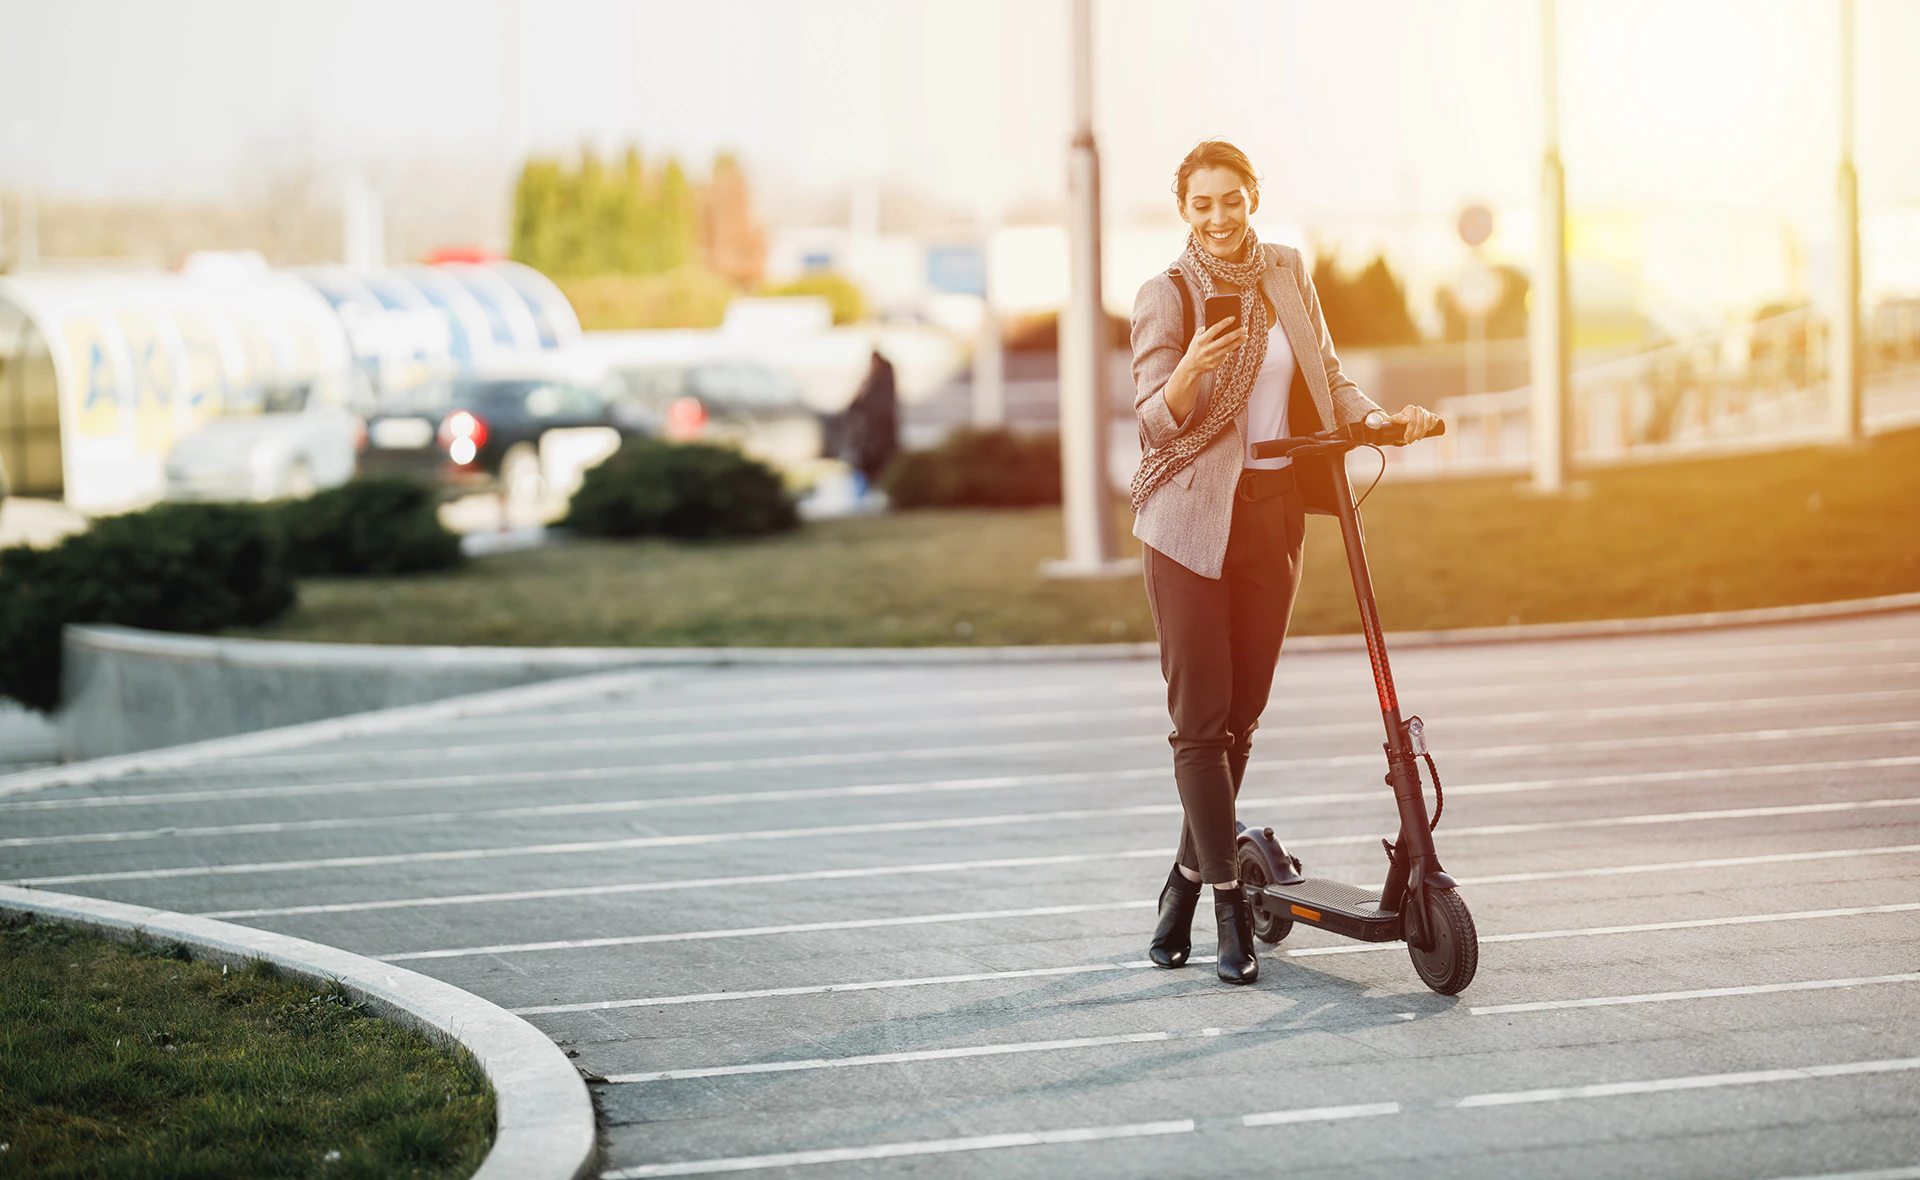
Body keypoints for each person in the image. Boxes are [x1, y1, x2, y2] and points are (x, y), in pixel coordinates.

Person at [1130, 140, 1441, 984]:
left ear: (1253, 197)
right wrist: (1189, 372)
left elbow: (1329, 377)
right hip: (1189, 521)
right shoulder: (1166, 294)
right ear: (1185, 209)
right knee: (1202, 721)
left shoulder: (1284, 273)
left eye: (1233, 199)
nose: (1220, 216)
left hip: (1271, 516)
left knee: (1243, 717)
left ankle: (1185, 878)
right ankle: (1226, 902)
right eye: (1203, 203)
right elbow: (1156, 421)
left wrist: (1380, 422)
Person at [840, 347, 899, 491]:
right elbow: (852, 407)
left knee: (878, 468)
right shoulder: (869, 384)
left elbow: (878, 410)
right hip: (868, 440)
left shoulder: (881, 386)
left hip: (878, 441)